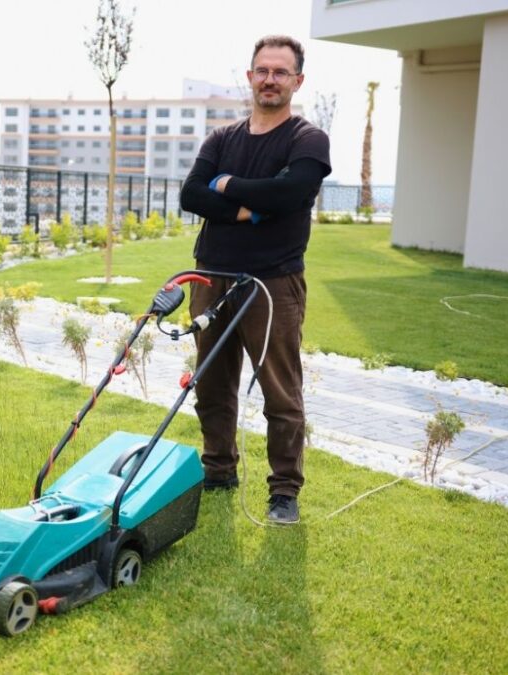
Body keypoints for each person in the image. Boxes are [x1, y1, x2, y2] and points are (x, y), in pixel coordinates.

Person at [179, 35, 331, 525]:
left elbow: (291, 193)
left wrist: (226, 186)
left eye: (280, 72)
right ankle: (219, 469)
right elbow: (191, 195)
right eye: (262, 70)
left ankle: (284, 490)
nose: (270, 79)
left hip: (273, 283)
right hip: (211, 277)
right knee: (211, 385)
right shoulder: (221, 139)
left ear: (297, 81)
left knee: (280, 392)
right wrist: (251, 208)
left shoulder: (307, 139)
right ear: (250, 77)